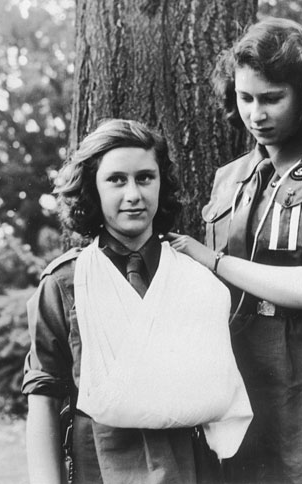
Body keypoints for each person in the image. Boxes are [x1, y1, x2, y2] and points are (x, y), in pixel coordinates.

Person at [168, 17, 302, 484]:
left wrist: (216, 262)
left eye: (272, 98)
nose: (256, 114)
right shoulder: (228, 178)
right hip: (234, 364)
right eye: (245, 98)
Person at [22, 119, 253, 484]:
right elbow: (43, 400)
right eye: (116, 180)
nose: (133, 194)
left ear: (161, 183)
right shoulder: (66, 283)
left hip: (190, 461)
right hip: (102, 461)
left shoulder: (195, 276)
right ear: (92, 189)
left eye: (145, 178)